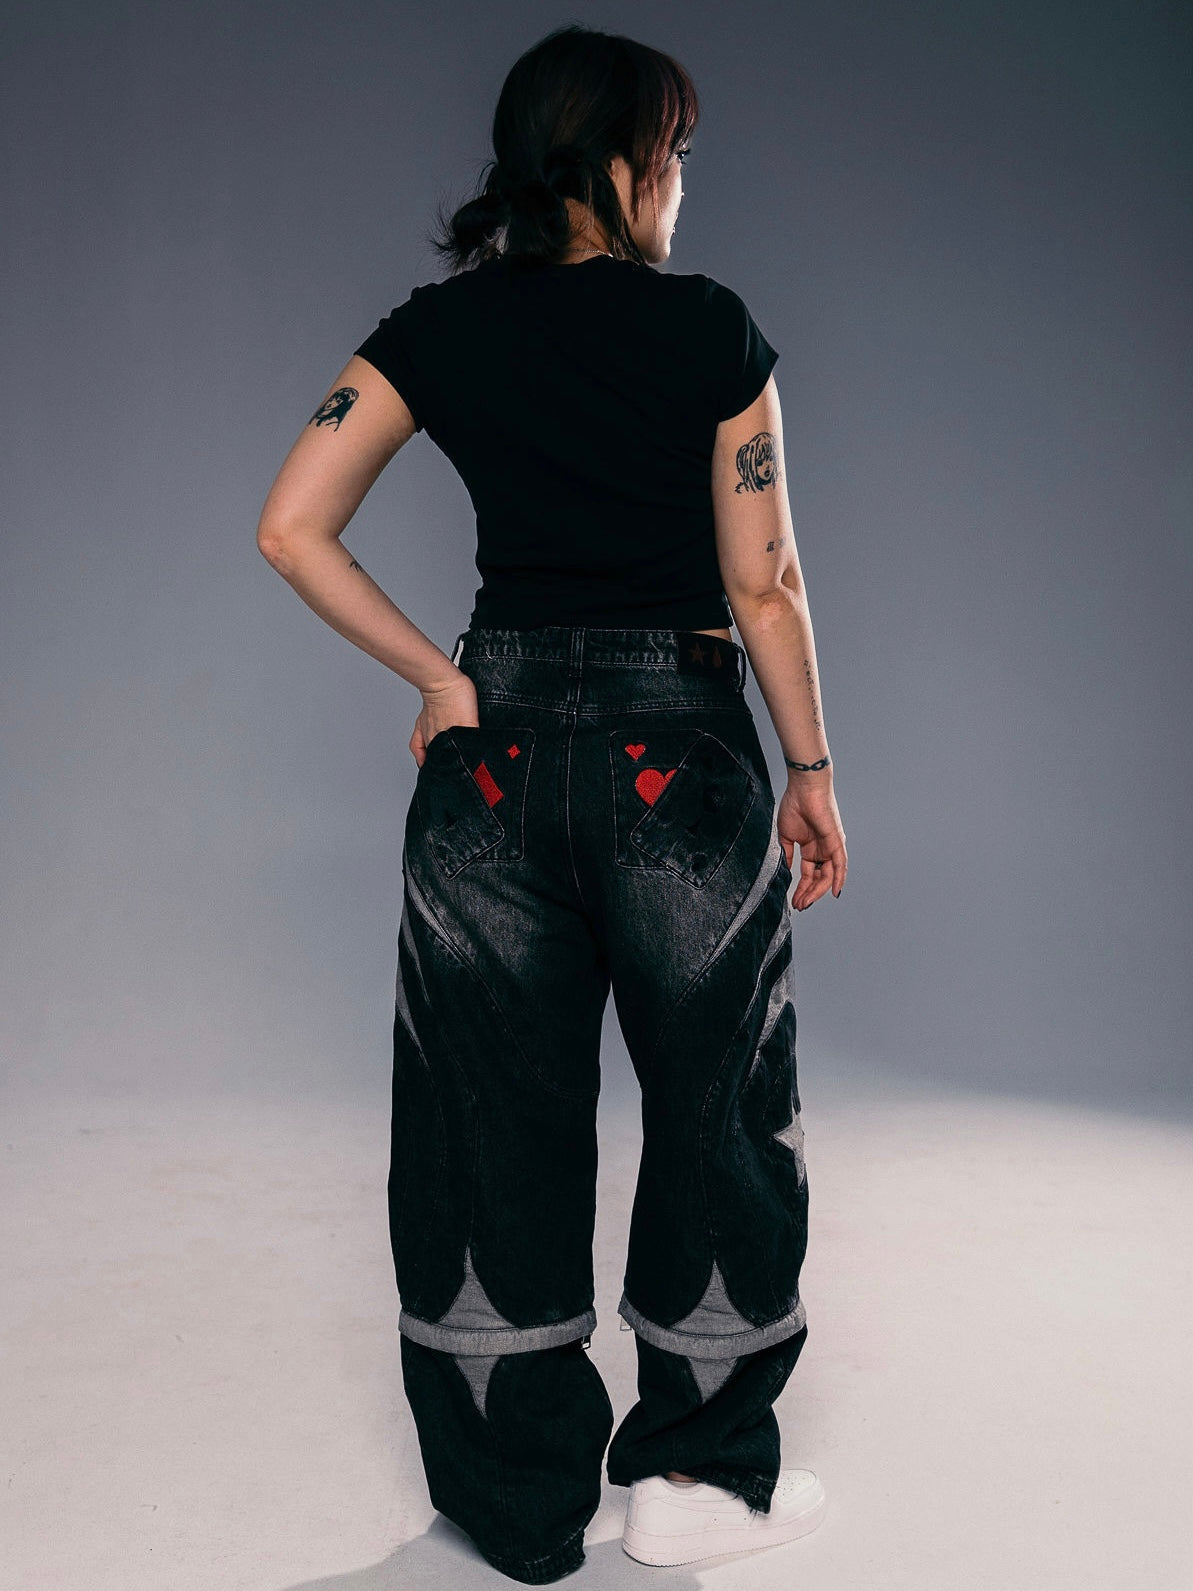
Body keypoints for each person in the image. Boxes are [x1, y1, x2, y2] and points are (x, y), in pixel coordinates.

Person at [256, 22, 847, 1585]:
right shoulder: (711, 331)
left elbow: (290, 525)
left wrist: (435, 679)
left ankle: (518, 1508)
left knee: (482, 1118)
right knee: (718, 1101)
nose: (680, 186)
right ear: (626, 164)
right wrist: (808, 771)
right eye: (677, 155)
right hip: (680, 758)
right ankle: (695, 1477)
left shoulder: (437, 330)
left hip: (493, 759)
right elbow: (765, 583)